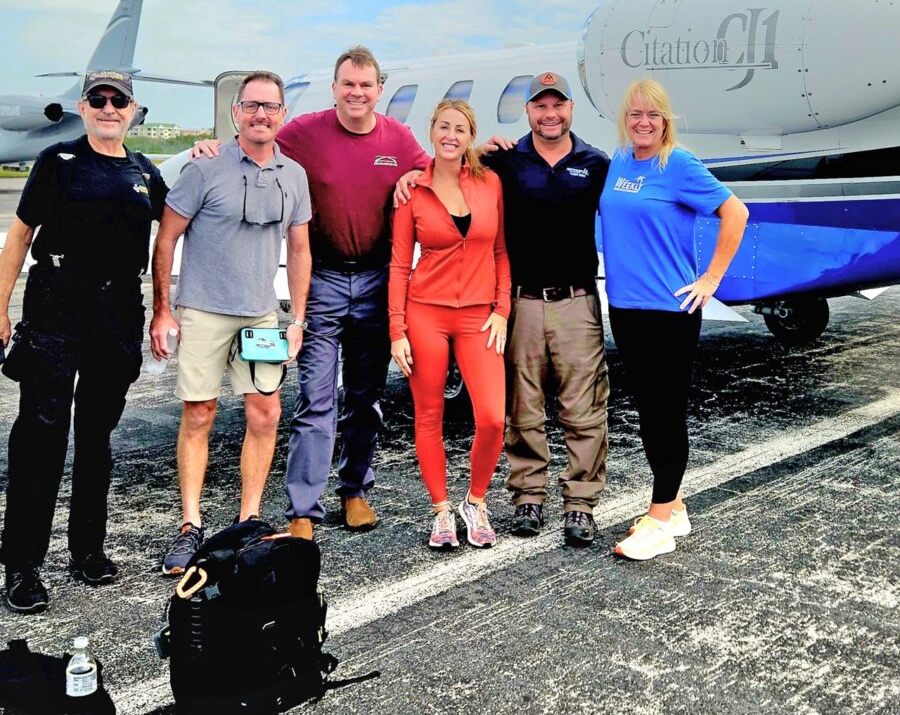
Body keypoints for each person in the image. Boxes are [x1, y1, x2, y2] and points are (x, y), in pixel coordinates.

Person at [192, 47, 429, 539]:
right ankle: (304, 508)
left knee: (365, 398)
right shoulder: (305, 132)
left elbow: (435, 171)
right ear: (334, 87)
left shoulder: (398, 137)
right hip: (320, 282)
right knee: (316, 400)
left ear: (378, 90)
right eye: (348, 84)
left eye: (365, 86)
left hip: (376, 281)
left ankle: (355, 490)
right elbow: (255, 141)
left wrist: (415, 173)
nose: (356, 93)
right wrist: (209, 147)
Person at [395, 72, 611, 548]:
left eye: (558, 105)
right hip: (522, 302)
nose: (549, 114)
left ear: (572, 109)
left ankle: (579, 504)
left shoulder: (596, 164)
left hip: (577, 300)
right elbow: (451, 164)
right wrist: (413, 174)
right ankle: (527, 497)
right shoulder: (505, 163)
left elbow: (626, 217)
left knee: (584, 408)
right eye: (540, 106)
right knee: (522, 407)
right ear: (528, 112)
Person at [0, 71, 167, 613]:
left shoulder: (145, 172)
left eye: (119, 100)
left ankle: (87, 551)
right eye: (99, 99)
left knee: (97, 435)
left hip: (117, 312)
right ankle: (23, 566)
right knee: (41, 436)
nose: (109, 107)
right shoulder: (58, 161)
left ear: (133, 110)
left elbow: (177, 226)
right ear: (84, 106)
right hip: (56, 306)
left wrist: (214, 150)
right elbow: (20, 236)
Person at [151, 71, 312, 575]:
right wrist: (163, 308)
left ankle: (250, 521)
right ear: (236, 112)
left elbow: (300, 247)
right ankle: (190, 525)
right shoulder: (205, 167)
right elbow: (167, 239)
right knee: (199, 414)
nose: (261, 114)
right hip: (203, 311)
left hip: (261, 316)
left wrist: (298, 318)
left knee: (265, 414)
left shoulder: (294, 175)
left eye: (271, 106)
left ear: (283, 114)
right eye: (251, 106)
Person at [602, 78, 748, 561]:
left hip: (670, 311)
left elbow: (736, 213)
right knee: (648, 412)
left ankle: (660, 519)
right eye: (635, 115)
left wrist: (711, 278)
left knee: (665, 413)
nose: (643, 122)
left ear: (666, 121)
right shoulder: (620, 162)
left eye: (653, 115)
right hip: (626, 309)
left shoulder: (678, 165)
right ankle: (676, 506)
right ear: (625, 120)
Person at [389, 100, 510, 549]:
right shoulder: (412, 191)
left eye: (460, 129)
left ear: (470, 137)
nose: (451, 135)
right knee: (429, 416)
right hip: (426, 313)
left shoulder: (489, 183)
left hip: (480, 314)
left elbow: (500, 252)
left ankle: (475, 501)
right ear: (432, 131)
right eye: (443, 126)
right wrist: (396, 330)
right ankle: (441, 510)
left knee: (494, 417)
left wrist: (502, 310)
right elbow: (400, 264)